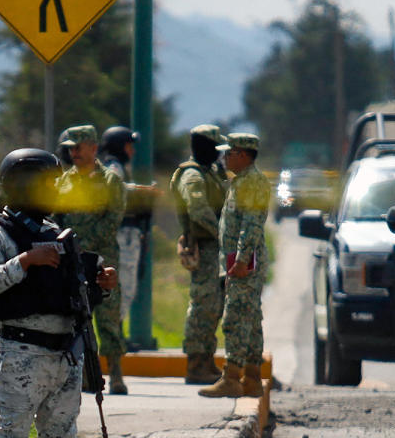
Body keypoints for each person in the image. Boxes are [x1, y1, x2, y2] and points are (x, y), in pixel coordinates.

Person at [0, 147, 117, 438]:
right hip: (21, 351)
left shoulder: (57, 233)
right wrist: (24, 261)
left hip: (63, 356)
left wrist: (100, 286)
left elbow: (74, 298)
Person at [52, 125, 128, 394]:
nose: (74, 152)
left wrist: (82, 243)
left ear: (93, 148)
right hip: (73, 262)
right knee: (79, 318)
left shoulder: (110, 182)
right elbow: (55, 219)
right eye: (70, 148)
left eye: (79, 147)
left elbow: (113, 220)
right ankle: (85, 374)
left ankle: (117, 372)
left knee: (109, 318)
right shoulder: (63, 182)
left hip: (102, 260)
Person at [201, 133, 271, 399]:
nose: (224, 157)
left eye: (228, 153)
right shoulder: (242, 182)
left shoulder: (251, 182)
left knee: (235, 318)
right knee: (251, 320)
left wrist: (242, 260)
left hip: (244, 264)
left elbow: (251, 223)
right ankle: (252, 378)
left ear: (242, 154)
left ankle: (231, 378)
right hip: (240, 262)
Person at [172, 124, 229, 385]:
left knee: (214, 307)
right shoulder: (192, 176)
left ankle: (206, 360)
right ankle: (196, 363)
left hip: (215, 250)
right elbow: (198, 210)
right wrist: (223, 234)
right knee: (202, 308)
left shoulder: (211, 173)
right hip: (205, 249)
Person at [99, 125, 158, 323]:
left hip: (125, 234)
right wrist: (141, 192)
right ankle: (115, 339)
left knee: (126, 288)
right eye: (128, 146)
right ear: (118, 147)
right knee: (124, 288)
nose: (132, 151)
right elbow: (113, 190)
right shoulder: (114, 168)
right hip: (123, 235)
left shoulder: (115, 167)